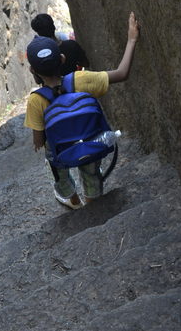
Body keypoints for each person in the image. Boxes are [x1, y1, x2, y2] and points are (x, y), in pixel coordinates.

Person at [25, 12, 140, 209]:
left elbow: (38, 139)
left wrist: (41, 141)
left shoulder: (36, 101)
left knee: (54, 166)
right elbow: (122, 73)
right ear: (62, 59)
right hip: (89, 141)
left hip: (61, 150)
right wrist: (131, 39)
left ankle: (71, 198)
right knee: (91, 171)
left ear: (32, 71)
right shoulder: (81, 79)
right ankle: (93, 201)